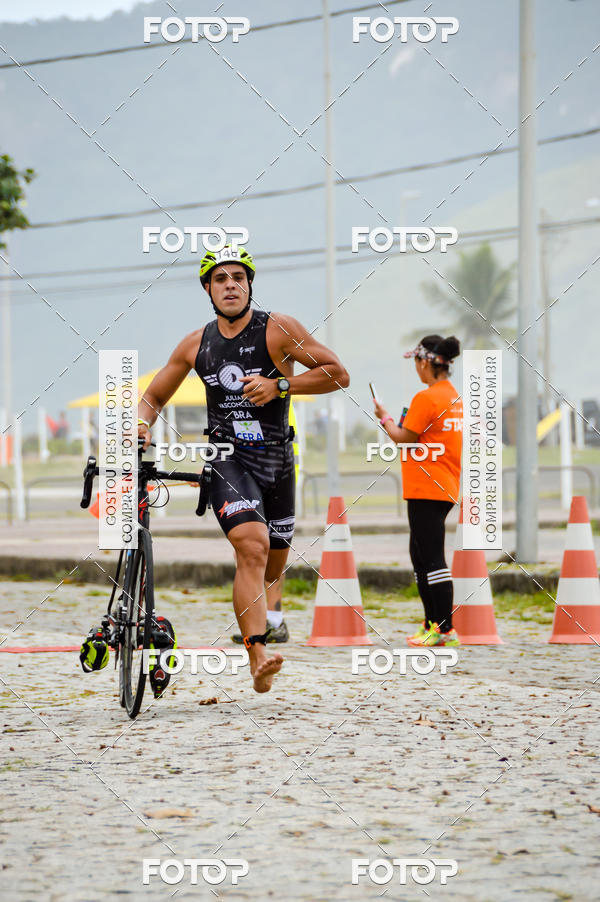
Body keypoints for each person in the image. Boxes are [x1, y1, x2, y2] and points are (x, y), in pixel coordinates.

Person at [137, 246, 349, 692]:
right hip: (227, 457)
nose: (230, 284)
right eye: (220, 279)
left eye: (238, 277)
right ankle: (257, 653)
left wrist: (281, 385)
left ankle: (270, 621)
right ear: (208, 290)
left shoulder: (278, 330)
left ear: (250, 284)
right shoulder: (195, 345)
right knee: (250, 548)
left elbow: (337, 373)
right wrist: (142, 424)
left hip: (278, 459)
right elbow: (153, 397)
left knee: (274, 561)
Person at [373, 335, 463, 647]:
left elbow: (403, 437)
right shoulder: (453, 396)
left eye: (416, 362)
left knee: (431, 558)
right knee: (421, 555)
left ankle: (443, 628)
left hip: (426, 486)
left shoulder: (427, 399)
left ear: (425, 362)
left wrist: (383, 418)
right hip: (445, 485)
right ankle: (431, 624)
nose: (416, 368)